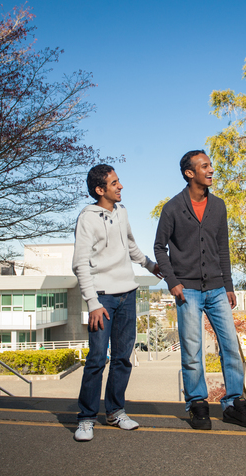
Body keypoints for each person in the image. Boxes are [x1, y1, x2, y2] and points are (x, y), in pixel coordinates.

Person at [154, 150, 246, 430]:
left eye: (210, 165)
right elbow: (158, 248)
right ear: (190, 173)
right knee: (192, 350)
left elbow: (222, 248)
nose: (211, 169)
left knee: (230, 348)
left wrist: (228, 285)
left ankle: (234, 402)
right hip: (186, 290)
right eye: (205, 166)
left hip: (216, 288)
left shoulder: (219, 206)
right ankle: (197, 404)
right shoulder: (173, 207)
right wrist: (172, 281)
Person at [71, 164, 162, 442]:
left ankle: (115, 411)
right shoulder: (87, 218)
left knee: (123, 358)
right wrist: (93, 302)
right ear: (100, 190)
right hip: (103, 300)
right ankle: (86, 418)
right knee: (97, 359)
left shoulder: (122, 212)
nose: (120, 186)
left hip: (128, 294)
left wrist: (150, 265)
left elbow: (130, 245)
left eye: (118, 181)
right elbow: (80, 265)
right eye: (114, 183)